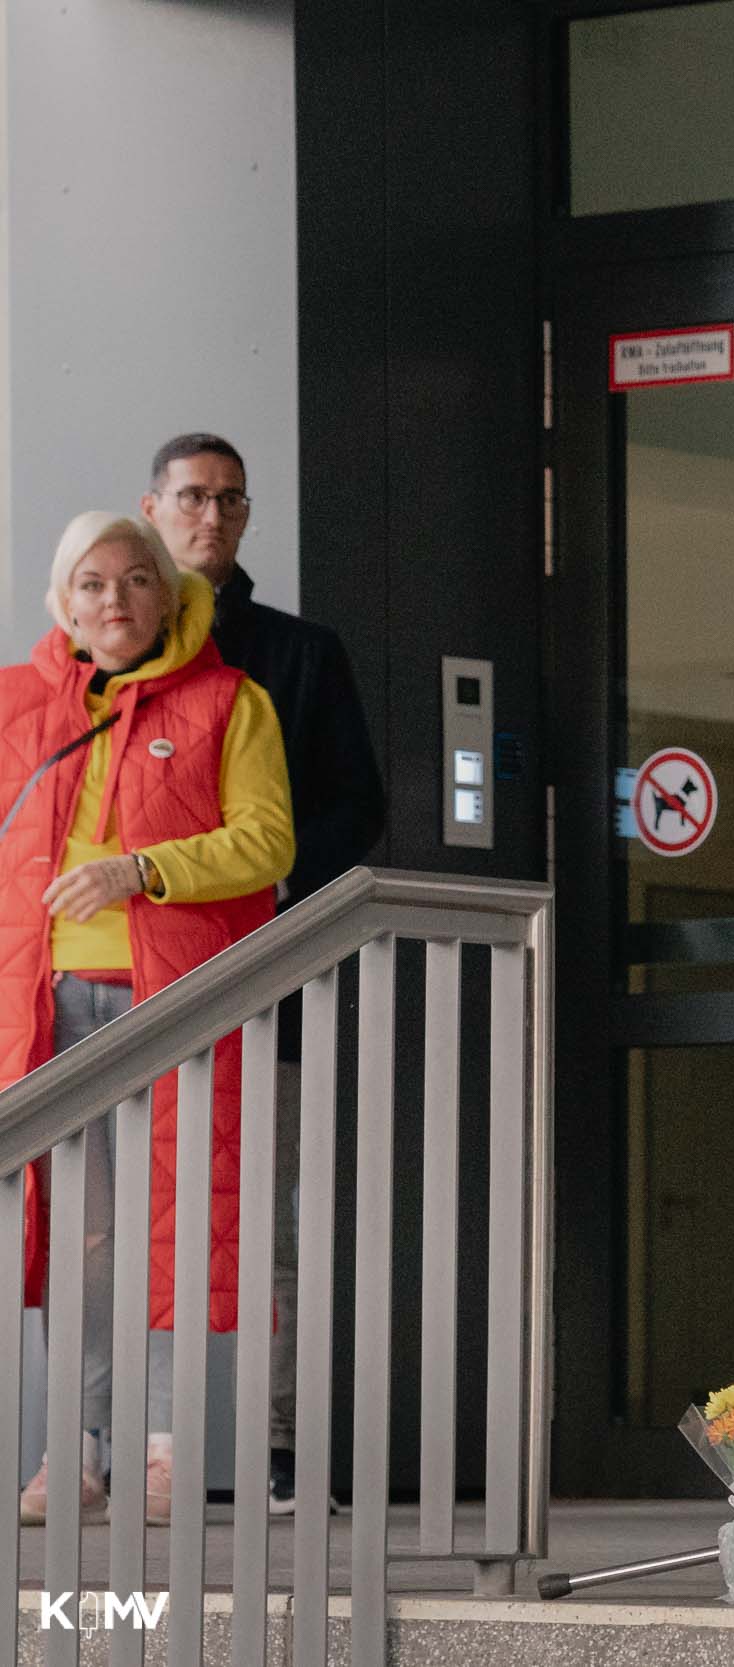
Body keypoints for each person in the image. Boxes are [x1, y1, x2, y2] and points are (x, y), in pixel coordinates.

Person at [2, 513, 293, 1524]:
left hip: (172, 998)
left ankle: (166, 1451)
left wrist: (141, 869)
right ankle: (72, 1455)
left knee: (177, 1227)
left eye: (135, 579)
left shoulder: (230, 700)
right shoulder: (13, 701)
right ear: (61, 600)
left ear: (170, 595)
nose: (113, 601)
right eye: (90, 583)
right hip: (40, 1009)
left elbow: (267, 840)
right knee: (74, 1237)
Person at [141, 432, 385, 1514]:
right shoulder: (104, 649)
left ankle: (279, 1446)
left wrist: (268, 910)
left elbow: (350, 807)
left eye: (230, 500)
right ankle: (124, 1445)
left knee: (267, 1223)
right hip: (121, 985)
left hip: (260, 974)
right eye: (193, 497)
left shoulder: (297, 654)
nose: (212, 516)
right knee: (117, 1226)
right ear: (153, 508)